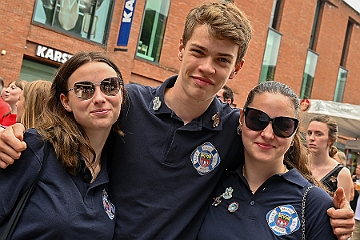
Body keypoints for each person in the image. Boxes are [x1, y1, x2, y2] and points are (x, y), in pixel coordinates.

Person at [0, 2, 354, 239]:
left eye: (222, 59)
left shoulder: (235, 127)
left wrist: (328, 210)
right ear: (181, 48)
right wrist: (12, 133)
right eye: (198, 52)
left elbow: (281, 155)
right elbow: (63, 124)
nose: (206, 67)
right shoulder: (127, 102)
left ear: (237, 67)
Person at [0, 51, 126, 238]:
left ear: (121, 93)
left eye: (110, 86)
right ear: (65, 101)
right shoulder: (35, 147)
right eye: (84, 90)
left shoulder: (116, 166)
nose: (100, 98)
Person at [198, 81, 338, 239]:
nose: (268, 134)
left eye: (283, 125)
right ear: (242, 119)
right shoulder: (212, 182)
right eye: (257, 120)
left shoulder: (314, 203)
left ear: (294, 133)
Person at [307, 115, 353, 202]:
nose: (311, 138)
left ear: (330, 140)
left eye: (318, 134)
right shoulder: (296, 163)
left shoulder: (341, 173)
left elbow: (343, 211)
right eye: (309, 133)